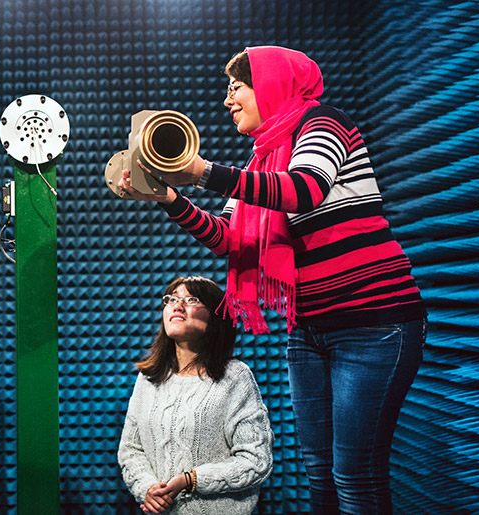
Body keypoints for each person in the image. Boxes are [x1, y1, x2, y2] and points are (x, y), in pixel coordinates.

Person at [118, 46, 428, 515]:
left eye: (236, 87)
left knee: (354, 474)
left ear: (269, 83)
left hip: (373, 324)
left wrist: (202, 171)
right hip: (309, 328)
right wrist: (168, 197)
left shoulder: (322, 123)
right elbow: (226, 238)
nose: (228, 101)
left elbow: (303, 189)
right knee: (320, 472)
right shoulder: (262, 157)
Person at [117, 276, 274, 514]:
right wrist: (147, 489)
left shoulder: (235, 377)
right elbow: (130, 450)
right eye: (171, 299)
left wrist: (191, 480)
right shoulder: (148, 378)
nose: (177, 306)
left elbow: (256, 460)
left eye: (191, 299)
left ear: (216, 317)